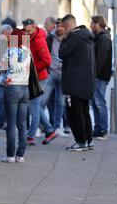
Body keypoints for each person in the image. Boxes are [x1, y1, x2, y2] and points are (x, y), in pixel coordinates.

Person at [59, 14, 95, 151]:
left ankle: (80, 141)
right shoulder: (87, 37)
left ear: (67, 26)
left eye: (63, 26)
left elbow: (62, 53)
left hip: (74, 83)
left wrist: (64, 38)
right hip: (86, 81)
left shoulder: (73, 38)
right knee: (84, 112)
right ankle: (88, 140)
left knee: (74, 113)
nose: (62, 29)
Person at [22, 18, 56, 146]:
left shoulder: (39, 40)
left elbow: (47, 61)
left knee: (34, 106)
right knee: (34, 106)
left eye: (29, 31)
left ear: (34, 27)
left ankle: (31, 136)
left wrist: (32, 68)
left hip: (40, 78)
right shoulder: (28, 38)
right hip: (33, 78)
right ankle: (49, 130)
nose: (27, 33)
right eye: (25, 30)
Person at [0, 29, 31, 163]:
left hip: (12, 88)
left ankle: (10, 155)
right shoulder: (28, 52)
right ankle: (21, 155)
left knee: (11, 123)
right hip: (25, 88)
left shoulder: (9, 52)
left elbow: (1, 68)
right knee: (22, 123)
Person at [45, 18, 69, 134]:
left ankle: (57, 127)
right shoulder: (50, 38)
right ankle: (44, 125)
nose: (59, 28)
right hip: (51, 72)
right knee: (43, 101)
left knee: (60, 101)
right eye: (57, 26)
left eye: (61, 26)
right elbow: (45, 53)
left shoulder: (69, 38)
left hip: (64, 74)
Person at [90, 16, 112, 140]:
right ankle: (98, 128)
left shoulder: (103, 38)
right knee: (95, 103)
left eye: (92, 23)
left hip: (100, 76)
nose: (90, 25)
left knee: (99, 103)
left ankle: (103, 129)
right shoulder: (99, 37)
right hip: (97, 76)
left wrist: (95, 74)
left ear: (97, 24)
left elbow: (101, 59)